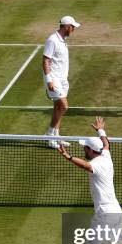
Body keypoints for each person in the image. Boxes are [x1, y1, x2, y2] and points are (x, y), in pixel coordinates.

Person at [57, 117, 122, 244]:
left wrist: (68, 156)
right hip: (116, 211)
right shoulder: (106, 156)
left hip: (104, 213)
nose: (83, 149)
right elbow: (107, 144)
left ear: (91, 151)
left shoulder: (98, 164)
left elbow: (85, 165)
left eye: (85, 148)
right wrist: (101, 131)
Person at [43, 15, 80, 148]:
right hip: (54, 79)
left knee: (58, 108)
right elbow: (46, 60)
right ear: (66, 27)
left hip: (62, 79)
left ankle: (57, 137)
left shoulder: (62, 40)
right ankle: (49, 135)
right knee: (64, 106)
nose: (73, 30)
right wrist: (49, 81)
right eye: (72, 27)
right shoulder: (52, 40)